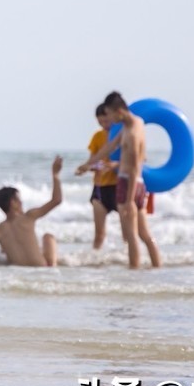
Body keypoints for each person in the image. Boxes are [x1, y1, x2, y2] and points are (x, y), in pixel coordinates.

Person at [77, 91, 162, 269]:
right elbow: (110, 147)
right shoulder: (137, 123)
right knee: (145, 234)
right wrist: (87, 165)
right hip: (140, 184)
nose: (109, 118)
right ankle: (157, 268)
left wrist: (130, 199)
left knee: (131, 235)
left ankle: (134, 273)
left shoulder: (130, 133)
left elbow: (131, 167)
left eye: (109, 114)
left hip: (127, 183)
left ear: (118, 111)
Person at [0, 156, 63, 267]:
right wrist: (55, 175)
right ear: (13, 202)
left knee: (5, 249)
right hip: (43, 269)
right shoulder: (28, 217)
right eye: (19, 199)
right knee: (48, 237)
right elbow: (57, 200)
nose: (21, 202)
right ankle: (53, 266)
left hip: (19, 273)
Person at [82, 103, 120, 249]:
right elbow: (92, 161)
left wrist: (114, 165)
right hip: (100, 188)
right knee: (99, 234)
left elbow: (131, 161)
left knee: (126, 232)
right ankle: (95, 263)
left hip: (117, 186)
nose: (104, 125)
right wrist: (92, 167)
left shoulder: (120, 135)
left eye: (106, 121)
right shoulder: (97, 137)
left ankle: (129, 265)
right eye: (100, 122)